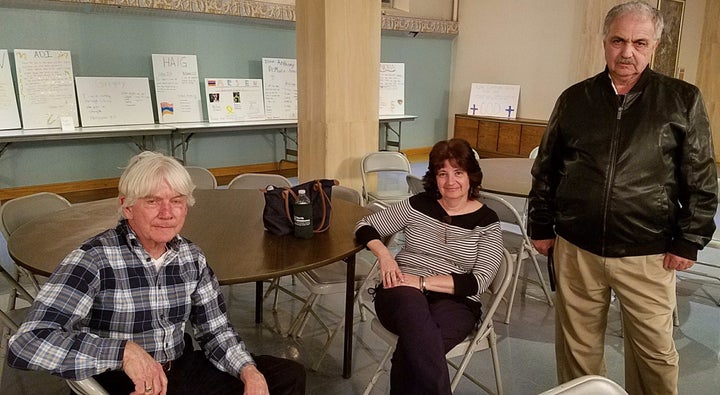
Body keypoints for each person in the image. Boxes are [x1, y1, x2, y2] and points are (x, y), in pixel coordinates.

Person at [527, 2, 717, 394]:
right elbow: (547, 168)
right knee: (578, 348)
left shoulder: (682, 100)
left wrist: (690, 239)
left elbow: (700, 177)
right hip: (577, 249)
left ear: (655, 45)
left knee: (655, 353)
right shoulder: (574, 99)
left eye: (639, 42)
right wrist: (541, 225)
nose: (627, 51)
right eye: (618, 40)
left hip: (647, 252)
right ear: (605, 41)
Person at [8, 151, 306, 395]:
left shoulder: (190, 256)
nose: (167, 212)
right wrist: (122, 352)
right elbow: (27, 343)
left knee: (284, 376)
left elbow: (215, 331)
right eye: (153, 201)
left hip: (179, 366)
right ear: (127, 206)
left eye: (176, 201)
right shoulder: (93, 260)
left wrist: (248, 370)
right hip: (118, 378)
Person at [355, 138, 504, 394]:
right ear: (434, 177)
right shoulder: (418, 205)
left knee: (415, 349)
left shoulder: (487, 222)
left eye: (458, 172)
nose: (450, 182)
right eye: (442, 173)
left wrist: (423, 282)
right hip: (401, 290)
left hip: (457, 301)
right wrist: (385, 256)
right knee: (419, 327)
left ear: (471, 176)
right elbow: (364, 226)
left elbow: (478, 281)